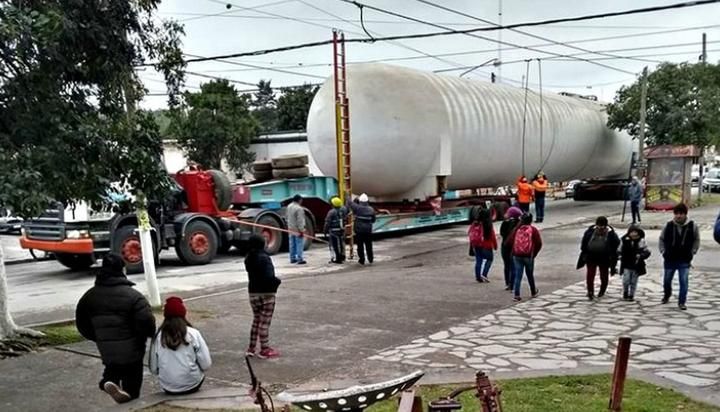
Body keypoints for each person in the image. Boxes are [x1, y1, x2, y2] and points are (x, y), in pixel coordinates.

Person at [75, 253, 156, 404]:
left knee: (113, 367)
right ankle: (130, 402)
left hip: (106, 349)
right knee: (132, 382)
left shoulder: (89, 297)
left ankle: (109, 381)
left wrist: (100, 337)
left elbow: (82, 325)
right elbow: (146, 323)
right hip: (133, 350)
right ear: (122, 270)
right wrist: (144, 337)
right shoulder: (134, 297)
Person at [149, 297, 212, 395]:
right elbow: (206, 364)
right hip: (192, 384)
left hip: (167, 386)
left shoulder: (158, 336)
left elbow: (153, 368)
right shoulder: (193, 333)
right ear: (183, 313)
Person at [244, 234, 282, 358]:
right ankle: (264, 349)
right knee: (264, 322)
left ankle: (251, 348)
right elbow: (269, 276)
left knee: (256, 320)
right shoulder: (265, 258)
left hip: (253, 293)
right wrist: (277, 282)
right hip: (266, 293)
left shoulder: (248, 258)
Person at [659, 203, 700, 310]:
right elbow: (661, 239)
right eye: (676, 213)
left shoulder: (692, 226)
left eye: (681, 214)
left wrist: (693, 251)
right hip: (669, 258)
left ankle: (682, 301)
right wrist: (663, 251)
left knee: (684, 281)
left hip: (684, 259)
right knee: (667, 280)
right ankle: (667, 295)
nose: (678, 216)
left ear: (685, 214)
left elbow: (696, 239)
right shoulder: (668, 225)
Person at [577, 216, 620, 301]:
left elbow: (616, 244)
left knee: (604, 274)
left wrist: (613, 256)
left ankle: (602, 290)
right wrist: (584, 251)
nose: (600, 228)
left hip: (604, 257)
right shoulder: (590, 231)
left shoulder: (611, 233)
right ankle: (590, 291)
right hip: (591, 255)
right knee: (590, 274)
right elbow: (584, 242)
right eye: (598, 226)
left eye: (602, 226)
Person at [506, 213, 542, 301]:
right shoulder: (533, 230)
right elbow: (539, 243)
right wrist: (534, 253)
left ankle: (516, 295)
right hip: (528, 256)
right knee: (530, 274)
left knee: (518, 275)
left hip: (517, 255)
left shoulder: (517, 229)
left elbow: (509, 242)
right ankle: (533, 291)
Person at [618, 226, 651, 301]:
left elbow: (647, 252)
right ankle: (625, 291)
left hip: (636, 265)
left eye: (635, 232)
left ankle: (631, 295)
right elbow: (619, 250)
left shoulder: (641, 241)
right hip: (626, 263)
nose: (633, 234)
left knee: (633, 281)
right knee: (626, 280)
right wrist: (620, 256)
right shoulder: (624, 240)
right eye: (631, 232)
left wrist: (641, 255)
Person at [468, 208, 497, 283]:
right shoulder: (488, 224)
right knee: (490, 259)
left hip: (477, 244)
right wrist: (495, 245)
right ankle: (484, 274)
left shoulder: (475, 223)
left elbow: (470, 232)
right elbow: (492, 236)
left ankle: (478, 277)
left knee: (478, 261)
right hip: (486, 245)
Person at [347, 193, 376, 265]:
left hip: (359, 231)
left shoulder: (357, 208)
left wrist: (347, 195)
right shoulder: (371, 209)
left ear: (360, 201)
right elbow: (373, 220)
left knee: (360, 246)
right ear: (367, 201)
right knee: (369, 245)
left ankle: (362, 260)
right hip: (368, 231)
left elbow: (350, 203)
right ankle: (370, 259)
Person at [500, 206, 523, 291]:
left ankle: (507, 283)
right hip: (514, 247)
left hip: (505, 246)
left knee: (507, 265)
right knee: (513, 266)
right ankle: (512, 284)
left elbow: (502, 233)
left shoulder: (505, 223)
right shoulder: (519, 224)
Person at [325, 196, 347, 264]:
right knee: (341, 244)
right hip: (341, 230)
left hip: (333, 231)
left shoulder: (331, 212)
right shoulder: (343, 210)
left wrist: (325, 230)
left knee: (335, 245)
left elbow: (327, 222)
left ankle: (338, 259)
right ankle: (342, 256)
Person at [287, 194, 307, 264]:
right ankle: (300, 259)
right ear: (299, 200)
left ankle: (292, 258)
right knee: (299, 244)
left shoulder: (289, 206)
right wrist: (301, 230)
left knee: (292, 244)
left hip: (290, 228)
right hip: (297, 229)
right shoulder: (299, 208)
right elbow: (300, 221)